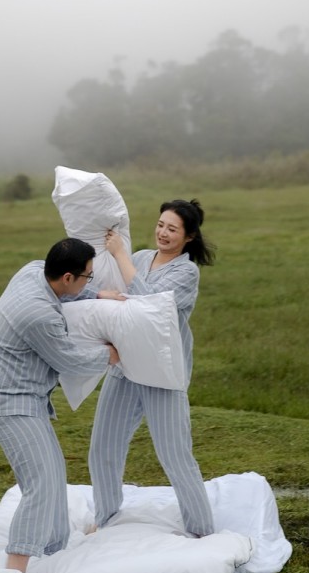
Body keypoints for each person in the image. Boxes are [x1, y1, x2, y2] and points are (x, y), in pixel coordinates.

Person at [0, 236, 121, 573]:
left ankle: (53, 549)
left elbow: (70, 293)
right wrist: (110, 355)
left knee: (54, 473)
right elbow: (68, 360)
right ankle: (14, 570)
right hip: (8, 404)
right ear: (67, 277)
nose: (89, 281)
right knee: (41, 482)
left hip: (23, 397)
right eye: (87, 276)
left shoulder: (33, 271)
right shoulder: (38, 315)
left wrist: (96, 293)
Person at [89, 198, 215, 538]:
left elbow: (149, 304)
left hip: (162, 370)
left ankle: (201, 530)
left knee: (174, 454)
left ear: (189, 237)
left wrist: (120, 255)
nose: (163, 233)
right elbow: (117, 295)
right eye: (161, 225)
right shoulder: (142, 258)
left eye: (172, 229)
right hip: (126, 364)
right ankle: (106, 517)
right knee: (103, 446)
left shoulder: (186, 272)